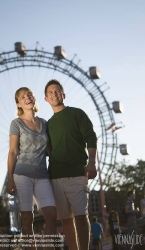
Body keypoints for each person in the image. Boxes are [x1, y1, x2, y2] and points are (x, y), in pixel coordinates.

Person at [44, 79, 97, 250]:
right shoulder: (48, 124)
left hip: (76, 173)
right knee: (65, 219)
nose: (54, 94)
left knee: (81, 216)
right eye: (50, 92)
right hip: (55, 176)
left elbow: (91, 137)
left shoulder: (77, 114)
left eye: (57, 91)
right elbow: (48, 149)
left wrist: (92, 163)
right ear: (46, 99)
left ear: (63, 94)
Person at [6, 87, 57, 250]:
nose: (27, 98)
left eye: (29, 95)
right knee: (27, 218)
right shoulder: (16, 124)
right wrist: (10, 179)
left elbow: (50, 150)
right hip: (22, 175)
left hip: (42, 175)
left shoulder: (44, 123)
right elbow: (13, 151)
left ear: (34, 98)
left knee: (51, 215)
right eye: (22, 97)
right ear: (18, 103)